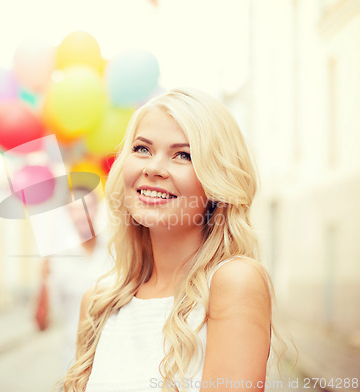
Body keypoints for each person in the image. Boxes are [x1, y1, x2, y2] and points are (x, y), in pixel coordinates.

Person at [55, 88, 278, 392]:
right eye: (142, 149)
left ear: (216, 181)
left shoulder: (233, 283)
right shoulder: (97, 304)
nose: (153, 168)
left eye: (183, 155)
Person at [47, 186, 113, 373]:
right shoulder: (58, 260)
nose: (81, 215)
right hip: (73, 361)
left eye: (87, 207)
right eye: (74, 210)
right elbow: (43, 322)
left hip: (112, 357)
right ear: (68, 215)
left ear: (97, 209)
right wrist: (43, 281)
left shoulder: (117, 252)